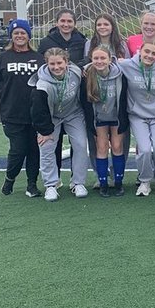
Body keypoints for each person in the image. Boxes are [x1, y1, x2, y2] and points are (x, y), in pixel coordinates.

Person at [0, 18, 44, 197]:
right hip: (12, 113)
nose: (19, 36)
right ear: (11, 35)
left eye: (23, 33)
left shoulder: (38, 58)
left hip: (35, 113)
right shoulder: (2, 58)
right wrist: (6, 92)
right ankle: (10, 178)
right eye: (16, 33)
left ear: (28, 36)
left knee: (34, 150)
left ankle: (32, 184)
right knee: (18, 150)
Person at [30, 47, 90, 201]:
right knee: (47, 146)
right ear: (46, 64)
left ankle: (78, 182)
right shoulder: (42, 85)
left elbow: (91, 63)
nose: (56, 67)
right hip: (51, 116)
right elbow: (38, 110)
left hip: (73, 113)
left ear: (67, 62)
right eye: (52, 64)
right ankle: (51, 185)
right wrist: (45, 131)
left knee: (81, 145)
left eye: (59, 63)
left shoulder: (76, 72)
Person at [118, 41, 155, 196]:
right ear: (140, 51)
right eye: (147, 52)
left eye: (154, 53)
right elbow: (105, 63)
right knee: (145, 149)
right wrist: (85, 68)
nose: (150, 56)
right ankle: (145, 181)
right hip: (137, 115)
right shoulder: (126, 65)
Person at [80, 46, 129, 197]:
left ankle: (118, 182)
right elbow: (84, 101)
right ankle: (103, 184)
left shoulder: (120, 74)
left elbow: (124, 97)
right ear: (91, 59)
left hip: (116, 117)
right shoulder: (86, 75)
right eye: (96, 58)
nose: (99, 61)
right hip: (99, 118)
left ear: (110, 59)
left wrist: (123, 119)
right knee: (101, 148)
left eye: (103, 58)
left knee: (117, 146)